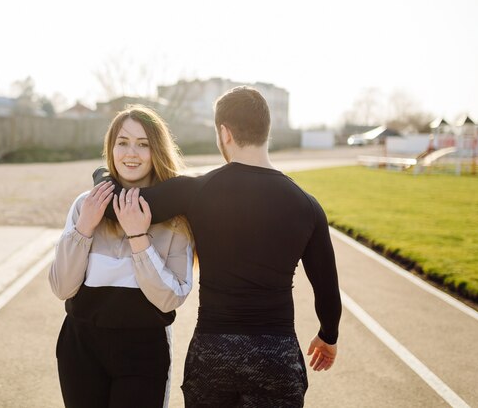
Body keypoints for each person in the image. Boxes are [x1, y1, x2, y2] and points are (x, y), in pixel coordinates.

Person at [96, 86, 341, 407]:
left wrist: (102, 173)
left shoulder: (196, 189)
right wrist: (328, 336)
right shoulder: (307, 205)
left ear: (224, 133)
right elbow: (327, 289)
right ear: (267, 133)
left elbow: (124, 204)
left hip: (213, 350)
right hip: (275, 353)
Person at [49, 105, 194, 408]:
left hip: (143, 349)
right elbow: (62, 287)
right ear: (110, 148)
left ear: (158, 151)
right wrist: (84, 228)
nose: (132, 153)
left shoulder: (177, 218)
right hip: (81, 347)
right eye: (123, 142)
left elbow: (170, 298)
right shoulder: (84, 205)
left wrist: (139, 237)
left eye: (144, 144)